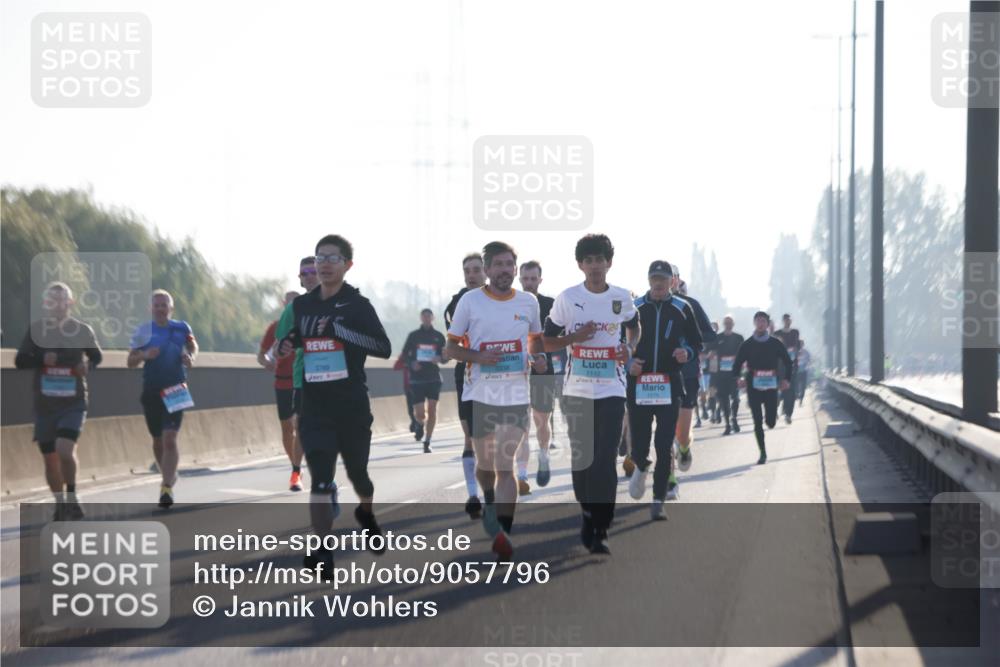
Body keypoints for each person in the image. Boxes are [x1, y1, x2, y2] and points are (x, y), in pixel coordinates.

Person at [277, 234, 392, 574]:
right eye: (319, 258)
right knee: (321, 481)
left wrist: (342, 332)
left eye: (332, 258)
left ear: (347, 265)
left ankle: (366, 512)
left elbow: (383, 347)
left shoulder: (358, 306)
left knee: (359, 475)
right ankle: (324, 551)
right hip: (314, 405)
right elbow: (303, 336)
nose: (324, 264)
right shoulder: (301, 306)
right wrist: (288, 344)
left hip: (351, 405)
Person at [445, 241, 545, 561]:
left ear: (515, 269)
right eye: (497, 265)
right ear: (487, 271)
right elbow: (451, 349)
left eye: (508, 265)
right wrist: (478, 356)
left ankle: (503, 531)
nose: (504, 270)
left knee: (506, 464)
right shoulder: (470, 302)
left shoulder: (529, 302)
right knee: (485, 466)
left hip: (516, 394)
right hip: (479, 395)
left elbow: (535, 341)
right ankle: (488, 498)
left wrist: (538, 359)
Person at [543, 234, 640, 555]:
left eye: (601, 259)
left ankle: (601, 526)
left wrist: (629, 347)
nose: (596, 266)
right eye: (590, 260)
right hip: (577, 392)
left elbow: (634, 326)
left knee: (604, 460)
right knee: (583, 461)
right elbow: (546, 341)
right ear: (581, 265)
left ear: (609, 262)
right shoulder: (568, 299)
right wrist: (576, 336)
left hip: (612, 389)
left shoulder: (622, 297)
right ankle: (586, 512)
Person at [15, 282, 103, 520]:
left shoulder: (82, 330)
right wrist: (43, 358)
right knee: (50, 458)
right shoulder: (37, 331)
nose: (57, 305)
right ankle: (60, 502)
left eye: (62, 300)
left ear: (70, 303)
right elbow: (20, 360)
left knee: (65, 449)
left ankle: (73, 496)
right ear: (47, 304)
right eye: (52, 300)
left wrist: (88, 365)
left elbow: (97, 356)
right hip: (45, 405)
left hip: (73, 402)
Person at [626, 262, 700, 515]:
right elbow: (617, 341)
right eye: (654, 278)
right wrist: (628, 363)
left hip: (669, 385)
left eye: (663, 279)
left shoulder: (682, 308)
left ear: (672, 282)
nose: (658, 283)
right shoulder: (634, 308)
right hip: (639, 384)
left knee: (664, 443)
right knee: (639, 442)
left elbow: (696, 342)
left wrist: (686, 352)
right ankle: (641, 465)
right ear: (648, 280)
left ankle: (658, 499)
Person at [128, 290, 198, 509]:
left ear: (171, 308)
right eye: (157, 305)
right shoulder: (142, 331)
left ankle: (166, 487)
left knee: (170, 438)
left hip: (176, 387)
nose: (160, 308)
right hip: (151, 389)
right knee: (158, 441)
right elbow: (130, 361)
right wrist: (143, 356)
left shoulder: (182, 328)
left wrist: (190, 356)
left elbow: (192, 345)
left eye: (164, 305)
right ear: (151, 308)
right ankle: (168, 474)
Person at [443, 253, 487, 519]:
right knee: (470, 436)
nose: (471, 275)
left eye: (476, 270)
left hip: (500, 375)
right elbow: (455, 343)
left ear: (486, 272)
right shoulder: (455, 304)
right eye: (467, 270)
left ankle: (495, 490)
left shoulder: (502, 298)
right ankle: (473, 494)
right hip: (468, 374)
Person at [274, 256, 320, 487]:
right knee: (301, 426)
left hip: (336, 375)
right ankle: (296, 471)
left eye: (313, 271)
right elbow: (279, 345)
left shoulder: (340, 302)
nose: (310, 276)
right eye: (305, 274)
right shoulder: (294, 309)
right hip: (304, 375)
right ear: (300, 280)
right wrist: (282, 348)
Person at [732, 311, 793, 464]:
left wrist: (786, 379)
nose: (760, 323)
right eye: (758, 320)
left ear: (767, 324)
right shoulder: (747, 344)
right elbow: (737, 364)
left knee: (770, 422)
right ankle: (763, 452)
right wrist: (738, 378)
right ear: (754, 323)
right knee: (757, 420)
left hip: (771, 384)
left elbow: (788, 362)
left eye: (763, 321)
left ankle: (772, 417)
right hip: (753, 384)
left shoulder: (775, 343)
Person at [671, 273, 716, 482]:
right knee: (664, 429)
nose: (663, 281)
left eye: (670, 277)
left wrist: (688, 342)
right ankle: (668, 479)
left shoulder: (690, 305)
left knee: (681, 432)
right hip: (658, 375)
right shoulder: (645, 305)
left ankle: (684, 446)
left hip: (687, 373)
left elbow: (709, 335)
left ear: (676, 280)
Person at [516, 260, 557, 490]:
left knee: (542, 421)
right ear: (519, 279)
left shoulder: (551, 305)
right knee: (522, 427)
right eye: (526, 278)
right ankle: (522, 476)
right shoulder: (511, 303)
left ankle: (543, 455)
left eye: (534, 279)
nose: (529, 283)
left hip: (543, 372)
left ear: (540, 280)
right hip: (516, 372)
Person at [258, 290, 304, 491]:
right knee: (287, 429)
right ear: (283, 304)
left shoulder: (307, 325)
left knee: (300, 426)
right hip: (282, 382)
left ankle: (296, 471)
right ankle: (295, 465)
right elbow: (261, 356)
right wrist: (267, 362)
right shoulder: (275, 328)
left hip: (302, 382)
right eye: (289, 303)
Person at [401, 308, 446, 453]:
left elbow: (446, 355)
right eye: (424, 316)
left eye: (429, 316)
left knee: (432, 409)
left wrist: (440, 358)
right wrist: (412, 363)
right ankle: (419, 424)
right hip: (417, 378)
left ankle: (428, 441)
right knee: (420, 413)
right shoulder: (414, 336)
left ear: (433, 318)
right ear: (421, 318)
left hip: (433, 377)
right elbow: (404, 355)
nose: (427, 318)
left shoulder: (439, 336)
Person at [711, 315, 745, 435]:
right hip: (721, 375)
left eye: (730, 322)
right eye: (726, 323)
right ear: (724, 324)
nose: (728, 324)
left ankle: (734, 418)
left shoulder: (739, 338)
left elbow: (744, 356)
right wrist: (713, 375)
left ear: (733, 324)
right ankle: (727, 424)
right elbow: (713, 355)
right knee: (723, 400)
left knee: (735, 398)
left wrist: (743, 373)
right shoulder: (717, 338)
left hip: (735, 374)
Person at [773, 314, 801, 424]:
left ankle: (788, 414)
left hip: (792, 365)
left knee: (791, 391)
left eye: (789, 320)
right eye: (785, 320)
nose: (787, 321)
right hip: (779, 367)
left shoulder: (795, 332)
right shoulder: (777, 334)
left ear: (791, 321)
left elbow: (798, 347)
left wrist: (795, 350)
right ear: (783, 321)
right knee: (777, 390)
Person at [796, 340, 811, 405]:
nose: (801, 345)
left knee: (803, 386)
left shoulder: (806, 352)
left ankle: (801, 399)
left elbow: (809, 360)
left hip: (804, 371)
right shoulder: (794, 352)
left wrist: (806, 364)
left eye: (802, 344)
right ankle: (797, 396)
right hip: (796, 371)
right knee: (796, 385)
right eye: (799, 344)